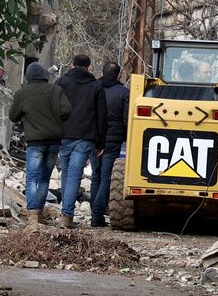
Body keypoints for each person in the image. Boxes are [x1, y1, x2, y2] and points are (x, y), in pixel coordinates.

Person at [7, 62, 70, 232]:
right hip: (54, 141)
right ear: (44, 75)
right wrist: (54, 118)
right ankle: (39, 213)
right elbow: (67, 110)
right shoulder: (55, 90)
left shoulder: (22, 93)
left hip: (35, 142)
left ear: (28, 77)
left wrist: (29, 117)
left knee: (32, 178)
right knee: (43, 179)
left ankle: (33, 220)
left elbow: (13, 116)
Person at [54, 53, 107, 229]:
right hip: (85, 137)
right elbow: (101, 115)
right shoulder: (96, 86)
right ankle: (67, 216)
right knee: (74, 175)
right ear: (89, 67)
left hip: (64, 134)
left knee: (67, 173)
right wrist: (100, 143)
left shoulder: (61, 82)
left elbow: (53, 107)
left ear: (72, 65)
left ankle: (65, 214)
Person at [90, 62, 130, 227]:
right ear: (118, 75)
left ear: (102, 72)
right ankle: (97, 215)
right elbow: (126, 119)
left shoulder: (93, 88)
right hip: (112, 140)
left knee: (96, 176)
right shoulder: (123, 93)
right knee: (106, 178)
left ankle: (95, 213)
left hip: (94, 138)